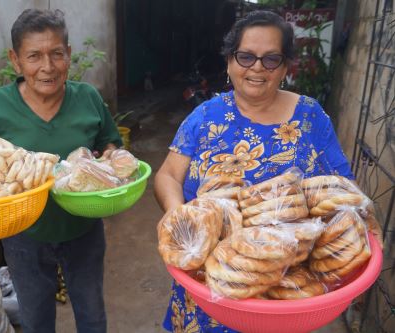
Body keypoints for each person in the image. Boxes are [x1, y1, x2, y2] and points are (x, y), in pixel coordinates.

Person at [154, 10, 382, 332]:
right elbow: (167, 175)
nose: (257, 67)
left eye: (270, 59)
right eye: (246, 56)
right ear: (229, 62)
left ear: (286, 66)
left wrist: (360, 230)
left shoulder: (310, 117)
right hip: (208, 282)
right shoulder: (204, 116)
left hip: (285, 293)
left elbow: (344, 190)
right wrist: (179, 220)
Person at [0, 9, 122, 333]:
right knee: (36, 318)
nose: (47, 67)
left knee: (92, 314)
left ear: (68, 53)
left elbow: (111, 143)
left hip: (83, 229)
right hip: (23, 234)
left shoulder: (88, 99)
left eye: (56, 54)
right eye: (34, 56)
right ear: (16, 60)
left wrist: (108, 160)